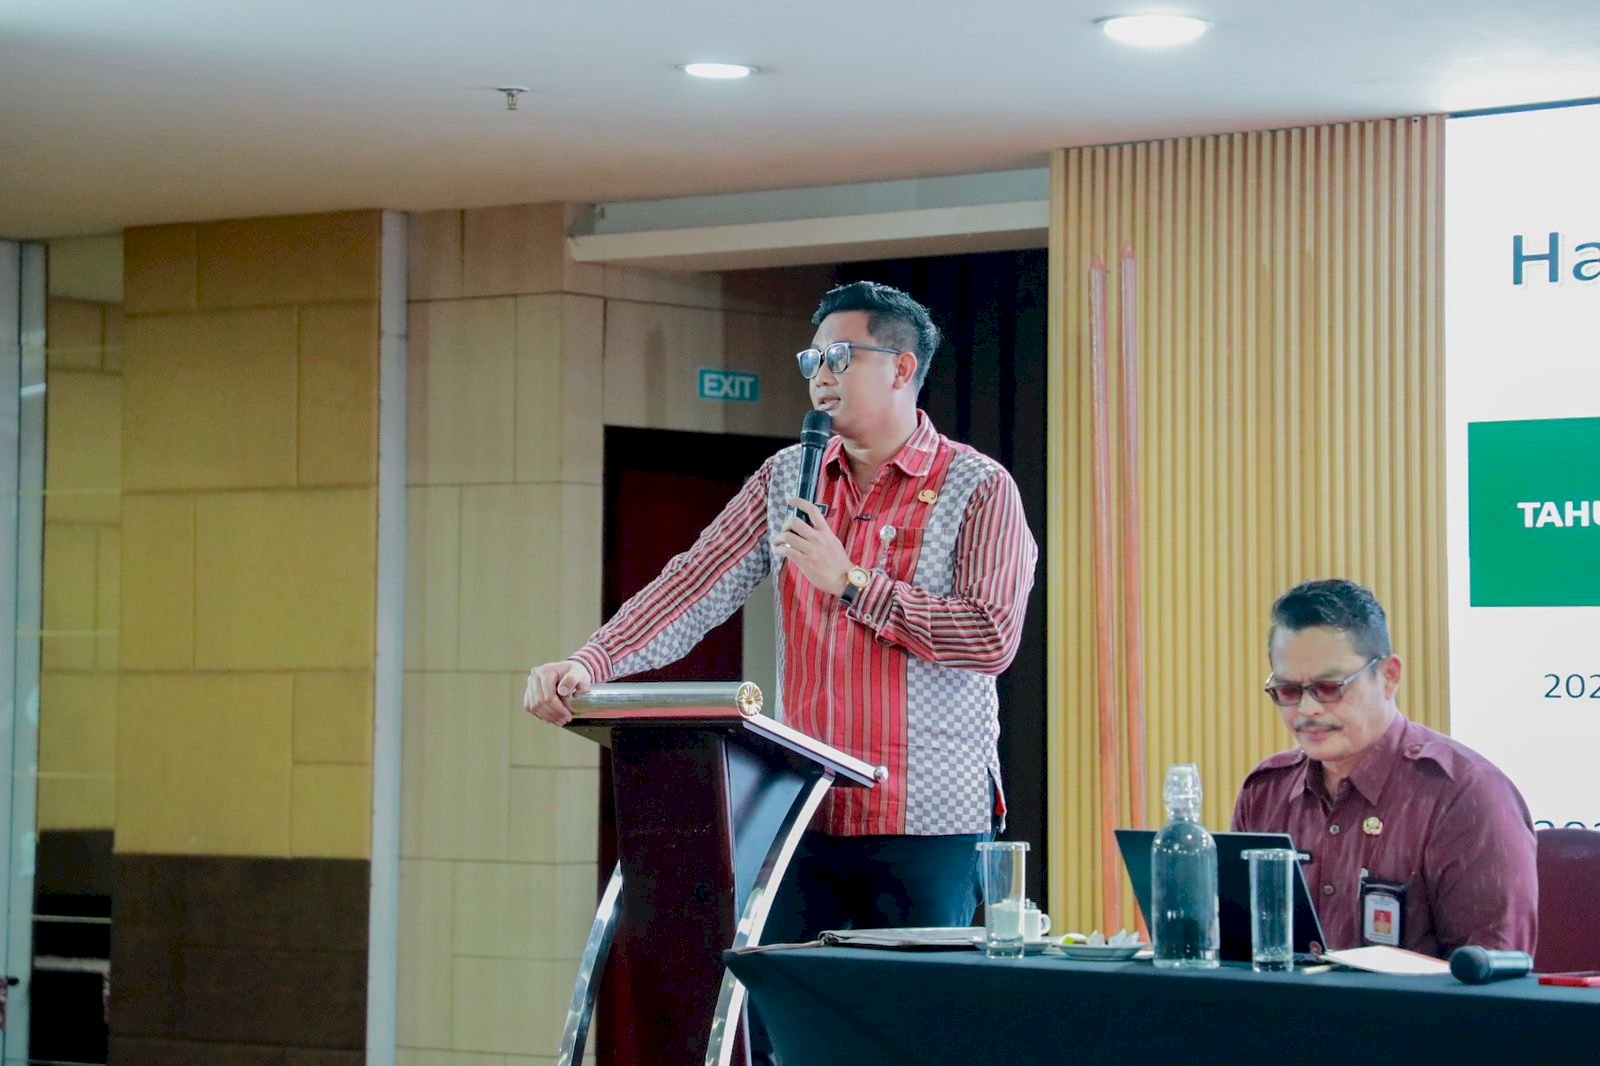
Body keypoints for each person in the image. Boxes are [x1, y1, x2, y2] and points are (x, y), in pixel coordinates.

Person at [524, 279, 1038, 936]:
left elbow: (990, 637)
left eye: (840, 357)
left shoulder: (978, 486)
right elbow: (694, 585)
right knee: (787, 998)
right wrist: (591, 662)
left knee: (909, 1001)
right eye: (812, 359)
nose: (820, 376)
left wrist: (853, 584)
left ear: (902, 368)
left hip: (928, 821)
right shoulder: (788, 475)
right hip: (805, 811)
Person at [1233, 578, 1538, 958]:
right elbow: (1234, 956)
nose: (1308, 710)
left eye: (1330, 687)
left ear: (1389, 677)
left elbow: (1490, 975)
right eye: (1289, 691)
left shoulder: (1465, 795)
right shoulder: (1266, 792)